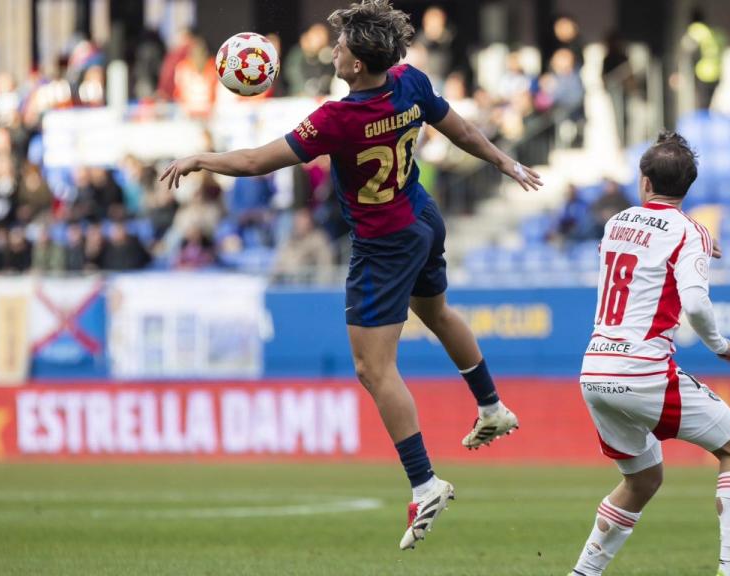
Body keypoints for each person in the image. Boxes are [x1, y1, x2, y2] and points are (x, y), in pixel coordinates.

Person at [160, 0, 542, 549]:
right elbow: (457, 128)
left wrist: (202, 158)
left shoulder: (336, 120)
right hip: (421, 215)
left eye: (340, 45)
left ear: (357, 65)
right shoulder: (410, 82)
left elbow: (254, 163)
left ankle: (425, 482)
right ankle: (491, 405)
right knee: (435, 312)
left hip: (383, 242)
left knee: (372, 367)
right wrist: (501, 160)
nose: (332, 49)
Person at [568, 132, 730, 576]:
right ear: (687, 187)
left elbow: (636, 250)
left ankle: (583, 573)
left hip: (595, 371)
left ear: (644, 181)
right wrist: (718, 344)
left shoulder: (616, 222)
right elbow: (693, 303)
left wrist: (691, 243)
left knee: (642, 480)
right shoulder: (690, 231)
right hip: (643, 371)